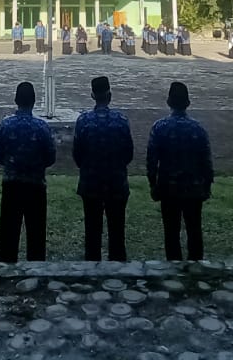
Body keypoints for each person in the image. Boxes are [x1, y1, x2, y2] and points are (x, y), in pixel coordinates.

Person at [147, 81, 213, 261]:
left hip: (169, 188)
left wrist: (153, 185)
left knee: (171, 233)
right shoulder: (197, 128)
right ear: (188, 103)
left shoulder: (160, 127)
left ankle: (173, 269)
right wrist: (207, 185)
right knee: (194, 230)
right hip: (193, 188)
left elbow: (152, 160)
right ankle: (196, 268)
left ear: (168, 102)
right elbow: (206, 160)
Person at [0, 81, 56, 262]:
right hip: (35, 185)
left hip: (11, 184)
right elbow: (51, 157)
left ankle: (5, 272)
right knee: (36, 234)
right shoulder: (42, 127)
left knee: (8, 233)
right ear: (34, 101)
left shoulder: (5, 125)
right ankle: (36, 272)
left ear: (15, 100)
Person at [73, 76, 133, 262]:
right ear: (110, 95)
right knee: (117, 231)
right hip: (116, 183)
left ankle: (92, 270)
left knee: (92, 231)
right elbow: (128, 154)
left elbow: (77, 155)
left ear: (92, 95)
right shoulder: (121, 120)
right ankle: (118, 269)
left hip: (91, 184)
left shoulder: (83, 121)